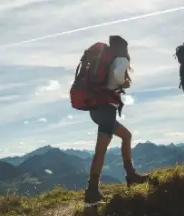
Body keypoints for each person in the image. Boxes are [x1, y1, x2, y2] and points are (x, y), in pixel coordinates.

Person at [69, 35, 148, 204]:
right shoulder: (120, 59)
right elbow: (119, 76)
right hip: (107, 108)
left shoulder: (104, 58)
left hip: (95, 107)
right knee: (101, 150)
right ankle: (92, 190)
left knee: (126, 136)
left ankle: (130, 175)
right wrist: (124, 83)